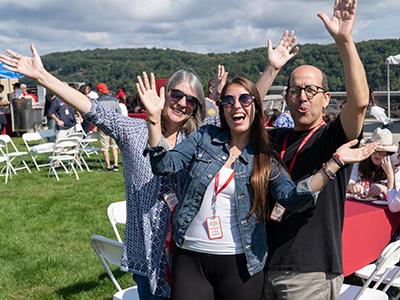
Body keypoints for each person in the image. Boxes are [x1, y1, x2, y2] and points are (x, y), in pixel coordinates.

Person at [0, 31, 313, 300]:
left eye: (191, 100)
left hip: (190, 251)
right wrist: (43, 77)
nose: (182, 104)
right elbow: (91, 108)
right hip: (149, 255)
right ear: (164, 95)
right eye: (177, 95)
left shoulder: (203, 136)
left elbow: (243, 106)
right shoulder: (134, 131)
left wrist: (271, 69)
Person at [141, 75, 376, 300]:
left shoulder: (264, 156)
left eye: (245, 99)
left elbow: (293, 198)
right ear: (222, 108)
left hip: (240, 262)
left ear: (255, 107)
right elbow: (164, 165)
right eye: (228, 101)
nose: (237, 107)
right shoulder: (205, 136)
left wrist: (333, 164)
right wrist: (153, 120)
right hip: (191, 256)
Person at [260, 1, 370, 299]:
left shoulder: (333, 137)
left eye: (311, 90)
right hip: (263, 263)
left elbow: (359, 103)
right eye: (295, 90)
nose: (302, 97)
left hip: (310, 271)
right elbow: (242, 117)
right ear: (286, 98)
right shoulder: (275, 138)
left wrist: (344, 41)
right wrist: (271, 68)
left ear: (326, 98)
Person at [347, 127, 399, 199]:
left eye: (381, 152)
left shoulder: (395, 167)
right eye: (374, 151)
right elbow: (349, 182)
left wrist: (384, 188)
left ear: (388, 154)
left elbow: (396, 197)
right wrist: (353, 186)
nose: (377, 155)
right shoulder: (360, 163)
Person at [95, 83, 121, 172]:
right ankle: (116, 165)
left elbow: (96, 115)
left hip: (103, 126)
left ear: (99, 91)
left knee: (105, 147)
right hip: (114, 126)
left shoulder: (97, 101)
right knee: (114, 145)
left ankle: (108, 166)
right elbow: (119, 113)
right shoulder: (115, 100)